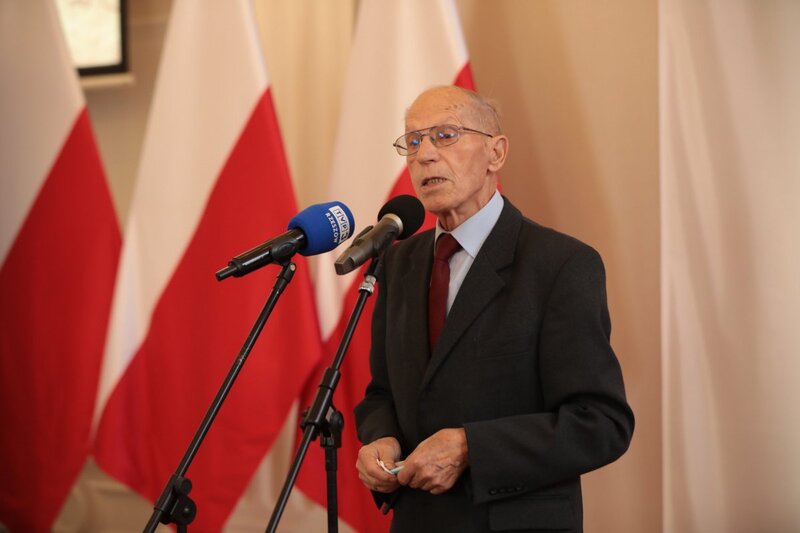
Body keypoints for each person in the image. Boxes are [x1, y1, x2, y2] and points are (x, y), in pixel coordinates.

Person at [354, 86, 634, 533]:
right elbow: (382, 393)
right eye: (413, 141)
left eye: (445, 135)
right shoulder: (398, 262)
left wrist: (470, 447)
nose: (424, 154)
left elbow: (601, 423)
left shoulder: (560, 264)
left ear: (496, 153)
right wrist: (380, 437)